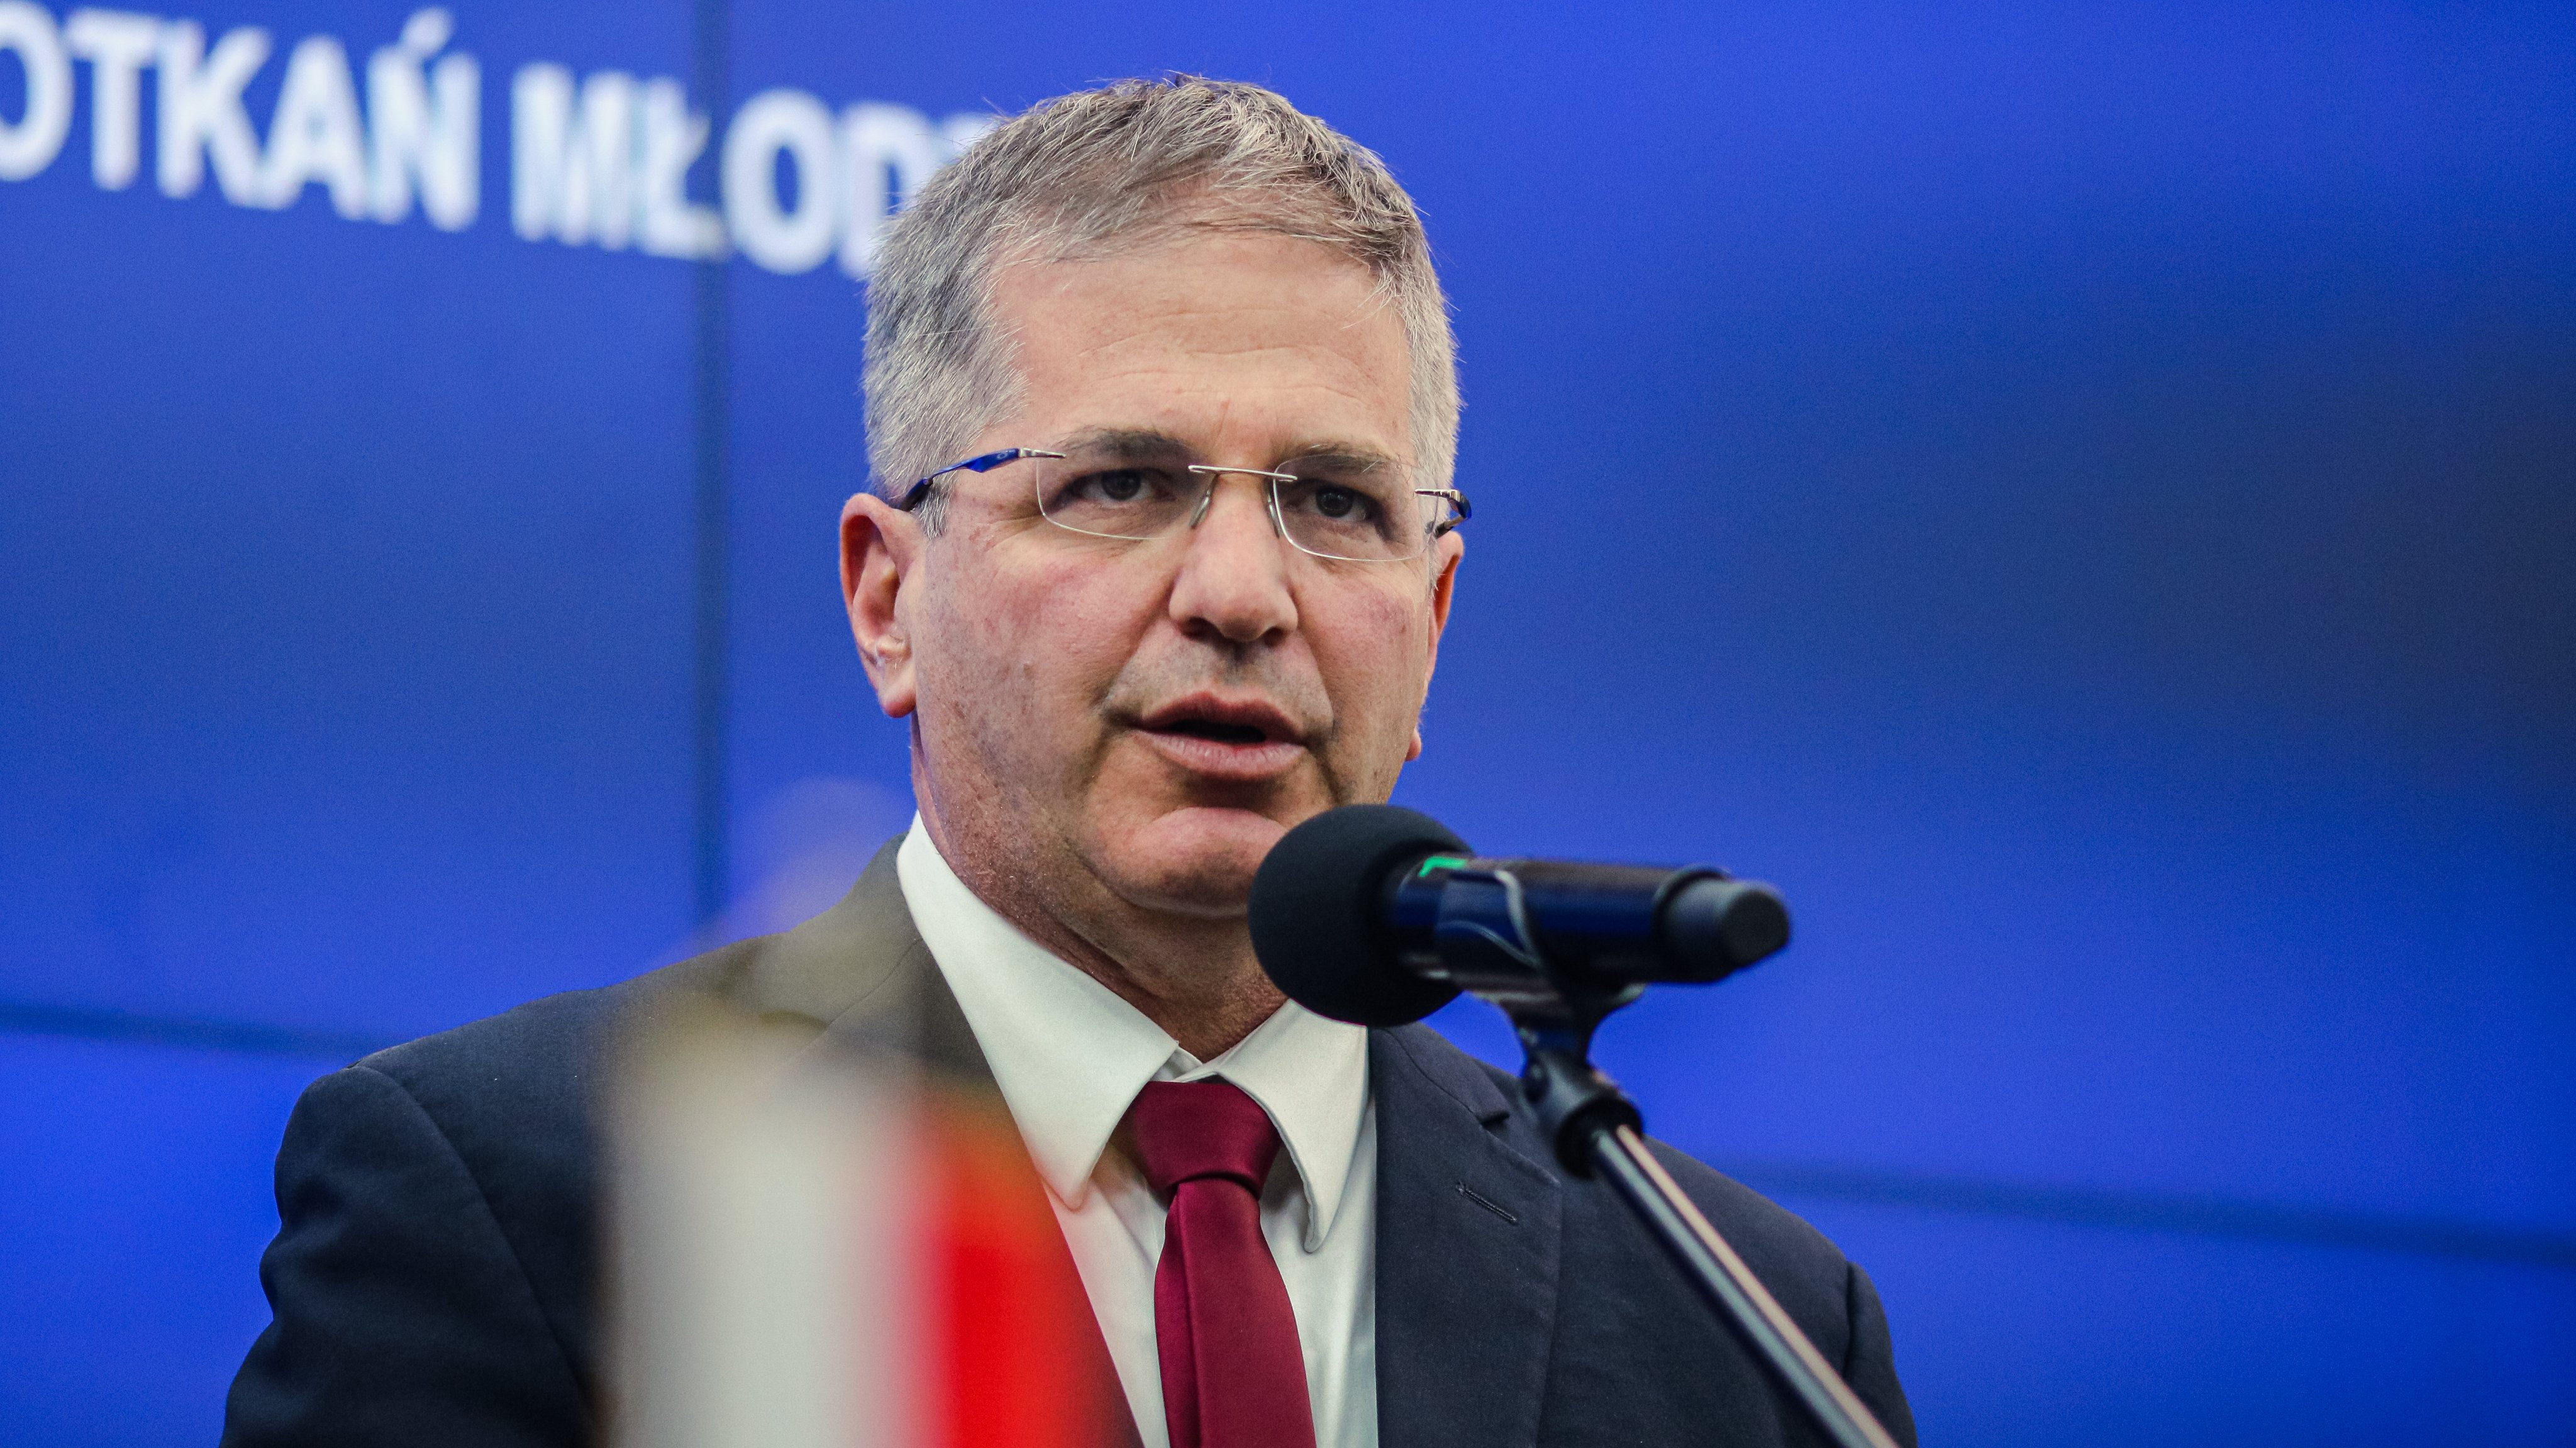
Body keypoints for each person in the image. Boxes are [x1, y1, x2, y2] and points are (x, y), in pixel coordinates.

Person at [221, 76, 1915, 1448]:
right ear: (890, 601)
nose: (1242, 595)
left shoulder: (1745, 1320)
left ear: (1433, 617)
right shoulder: (536, 1195)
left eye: (1336, 503)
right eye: (1120, 485)